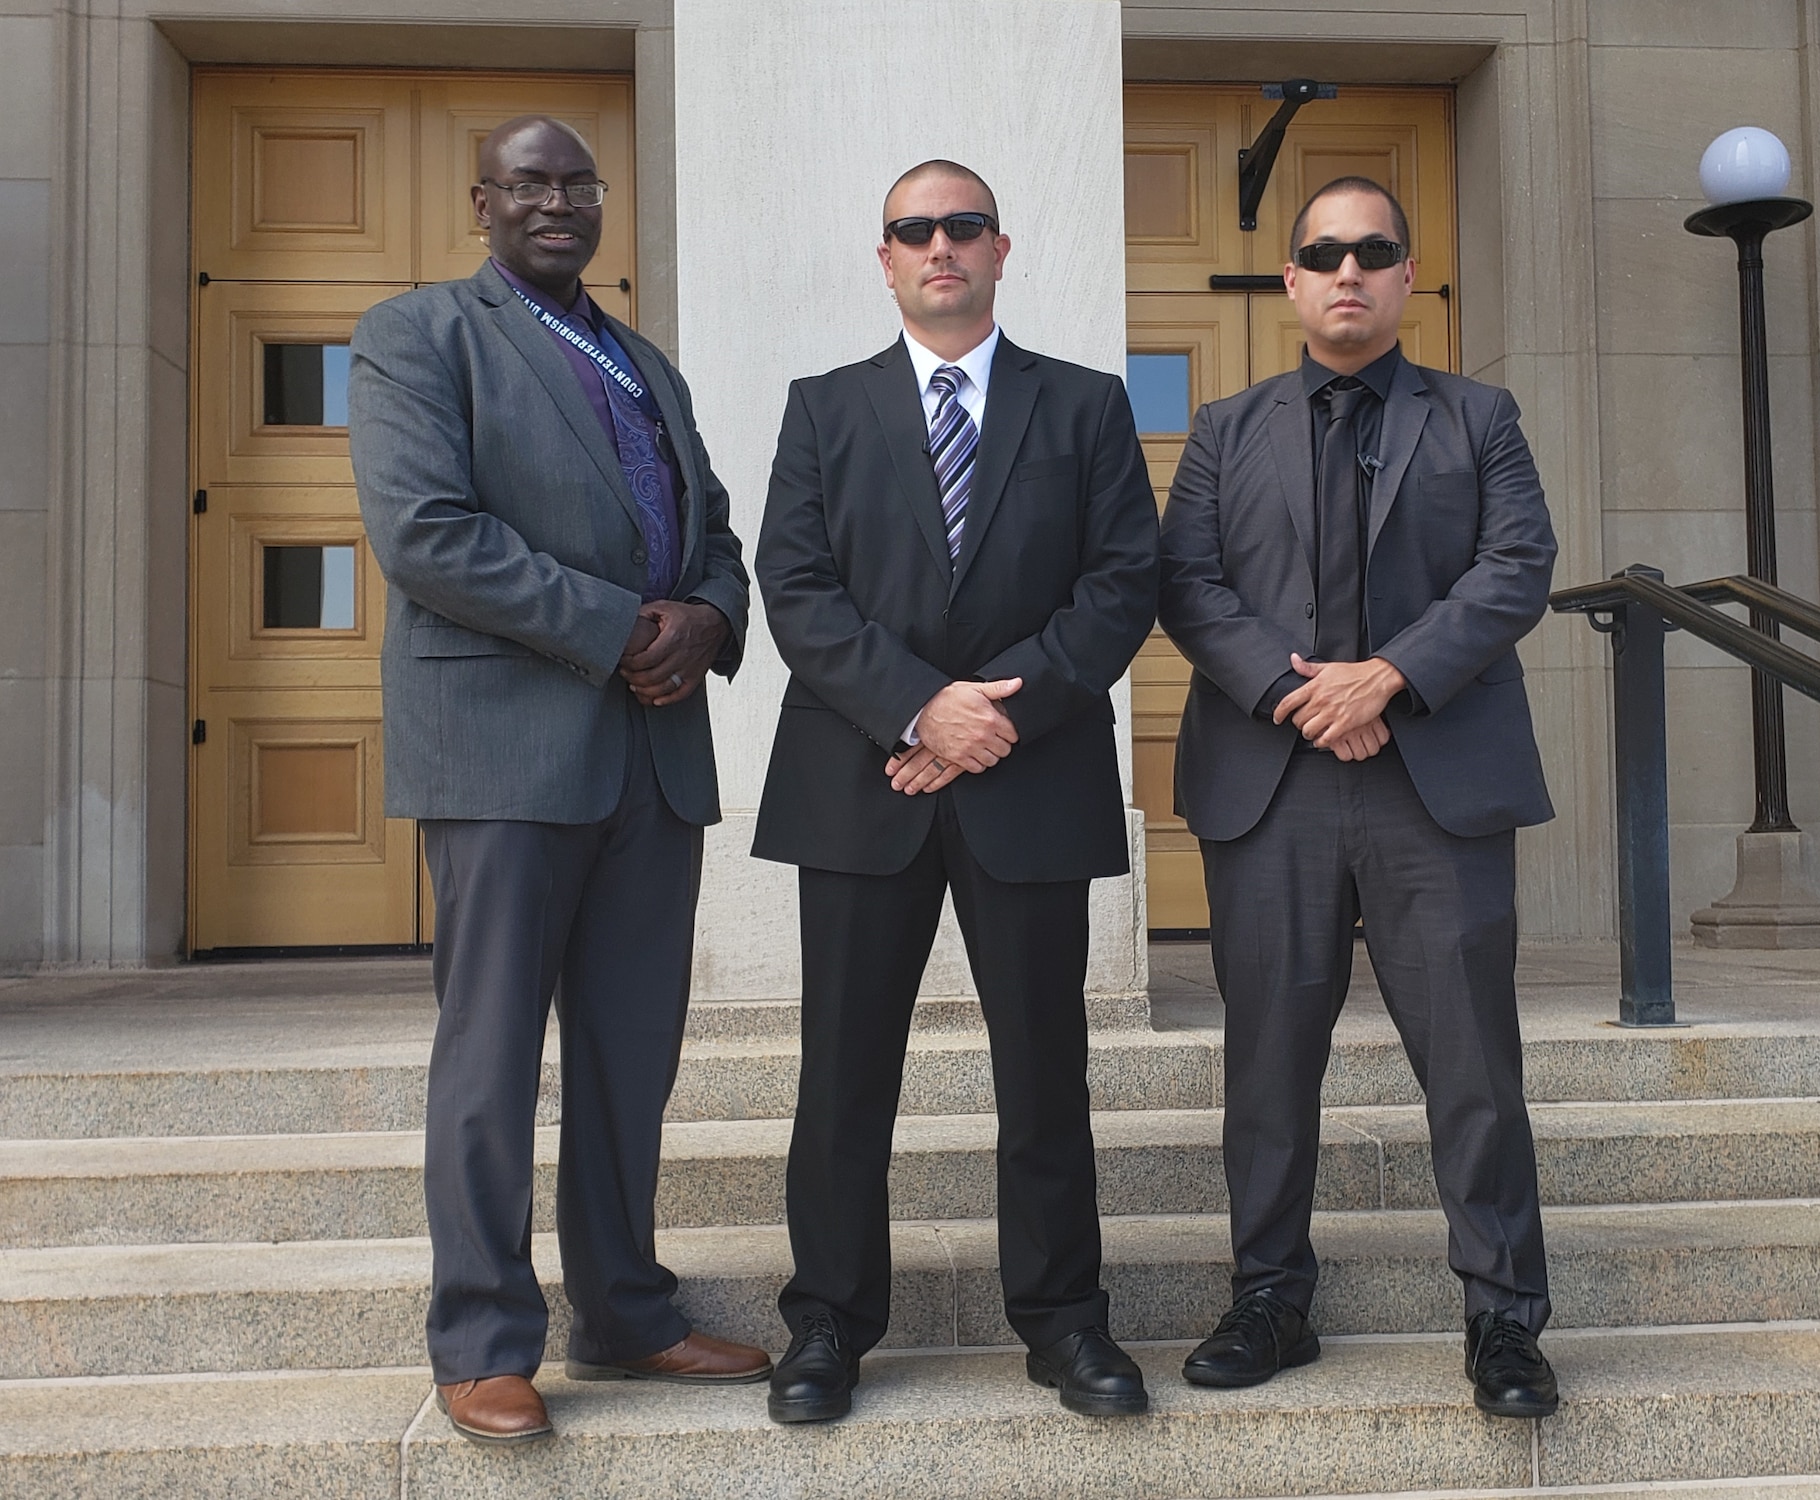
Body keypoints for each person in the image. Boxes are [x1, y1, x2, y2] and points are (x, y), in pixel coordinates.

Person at [348, 115, 769, 1447]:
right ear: (482, 201)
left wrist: (707, 617)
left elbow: (713, 531)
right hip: (506, 750)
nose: (557, 203)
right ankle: (480, 1338)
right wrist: (621, 630)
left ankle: (629, 1311)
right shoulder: (418, 337)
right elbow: (427, 535)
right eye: (528, 184)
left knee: (627, 1055)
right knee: (489, 1056)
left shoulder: (646, 361)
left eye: (577, 183)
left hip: (652, 756)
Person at [752, 159, 1160, 1423]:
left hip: (1028, 785)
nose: (940, 246)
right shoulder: (822, 409)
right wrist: (923, 708)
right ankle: (825, 1323)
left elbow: (1119, 586)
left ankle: (1063, 1324)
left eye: (962, 226)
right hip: (860, 779)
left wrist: (998, 715)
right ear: (884, 259)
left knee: (1045, 1069)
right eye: (913, 230)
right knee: (842, 1074)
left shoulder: (1086, 407)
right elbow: (796, 588)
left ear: (999, 248)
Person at [1158, 175, 1562, 1419]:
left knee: (1473, 1066)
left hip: (1429, 786)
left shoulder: (1478, 416)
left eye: (1371, 251)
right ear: (1289, 282)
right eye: (1321, 253)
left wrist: (1388, 676)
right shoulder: (1225, 428)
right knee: (1267, 1064)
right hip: (1270, 787)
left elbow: (1516, 566)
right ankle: (1268, 1297)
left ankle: (1501, 1319)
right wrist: (1301, 696)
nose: (1346, 270)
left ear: (1401, 277)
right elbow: (1186, 583)